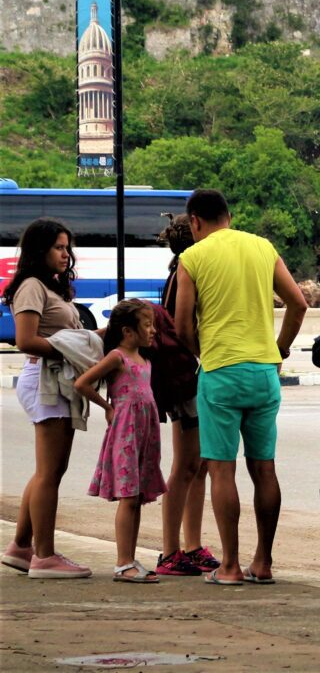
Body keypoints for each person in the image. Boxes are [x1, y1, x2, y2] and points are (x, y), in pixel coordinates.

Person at [174, 189, 308, 585]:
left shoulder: (192, 257)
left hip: (221, 372)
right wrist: (278, 348)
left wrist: (205, 353)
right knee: (264, 469)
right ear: (229, 216)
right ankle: (263, 562)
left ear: (194, 221)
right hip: (264, 373)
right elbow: (298, 304)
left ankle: (229, 566)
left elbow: (182, 326)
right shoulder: (263, 247)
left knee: (221, 471)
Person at [1, 218, 92, 579]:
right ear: (40, 250)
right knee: (50, 473)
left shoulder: (50, 287)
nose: (65, 254)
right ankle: (44, 555)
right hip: (46, 380)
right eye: (58, 247)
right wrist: (73, 347)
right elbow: (25, 340)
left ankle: (22, 547)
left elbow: (63, 334)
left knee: (47, 471)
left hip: (55, 380)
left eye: (67, 247)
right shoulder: (31, 287)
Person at [74, 299, 167, 582]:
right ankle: (122, 562)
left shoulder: (145, 359)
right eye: (147, 325)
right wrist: (108, 407)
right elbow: (82, 383)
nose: (153, 331)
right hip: (126, 432)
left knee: (136, 497)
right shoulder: (117, 357)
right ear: (128, 331)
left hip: (145, 433)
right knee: (128, 497)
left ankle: (130, 559)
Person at [149, 214, 219, 576]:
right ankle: (170, 550)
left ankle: (191, 545)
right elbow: (183, 328)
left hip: (187, 377)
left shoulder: (180, 272)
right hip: (186, 379)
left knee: (199, 465)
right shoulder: (186, 273)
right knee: (187, 464)